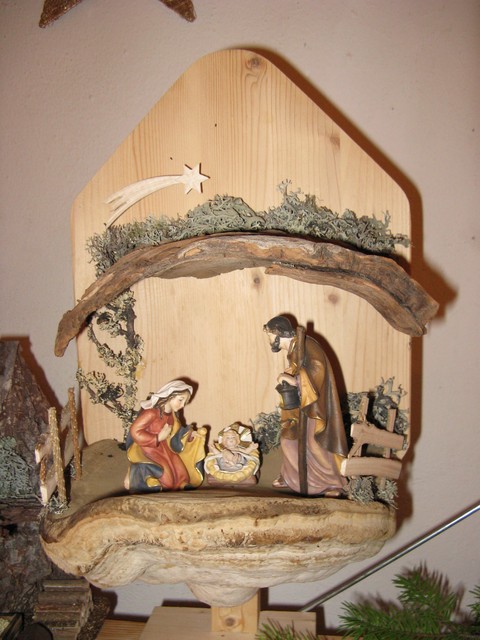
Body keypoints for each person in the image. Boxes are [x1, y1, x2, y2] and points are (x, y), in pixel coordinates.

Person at [264, 316, 348, 496]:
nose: (269, 339)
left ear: (278, 333)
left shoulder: (306, 344)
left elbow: (317, 368)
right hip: (299, 406)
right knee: (288, 440)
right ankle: (291, 477)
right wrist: (291, 374)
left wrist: (295, 380)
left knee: (315, 443)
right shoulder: (294, 349)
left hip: (315, 406)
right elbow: (300, 368)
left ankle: (333, 483)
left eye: (270, 335)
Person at [124, 380, 206, 492]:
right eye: (180, 400)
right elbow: (135, 431)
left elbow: (177, 432)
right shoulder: (151, 413)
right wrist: (157, 438)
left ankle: (180, 486)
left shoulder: (172, 415)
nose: (182, 405)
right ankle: (146, 481)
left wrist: (191, 435)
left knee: (180, 471)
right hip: (149, 448)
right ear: (169, 396)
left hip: (165, 448)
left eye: (185, 402)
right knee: (166, 476)